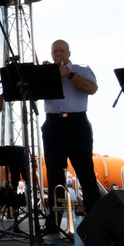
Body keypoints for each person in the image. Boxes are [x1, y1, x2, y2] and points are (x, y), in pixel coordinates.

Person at [40, 38, 102, 235]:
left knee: (85, 171)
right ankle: (54, 221)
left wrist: (68, 74)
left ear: (69, 53)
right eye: (55, 51)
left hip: (77, 123)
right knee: (54, 175)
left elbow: (92, 89)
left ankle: (97, 218)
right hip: (53, 124)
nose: (58, 53)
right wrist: (41, 75)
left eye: (62, 50)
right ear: (51, 54)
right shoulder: (46, 72)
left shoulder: (81, 70)